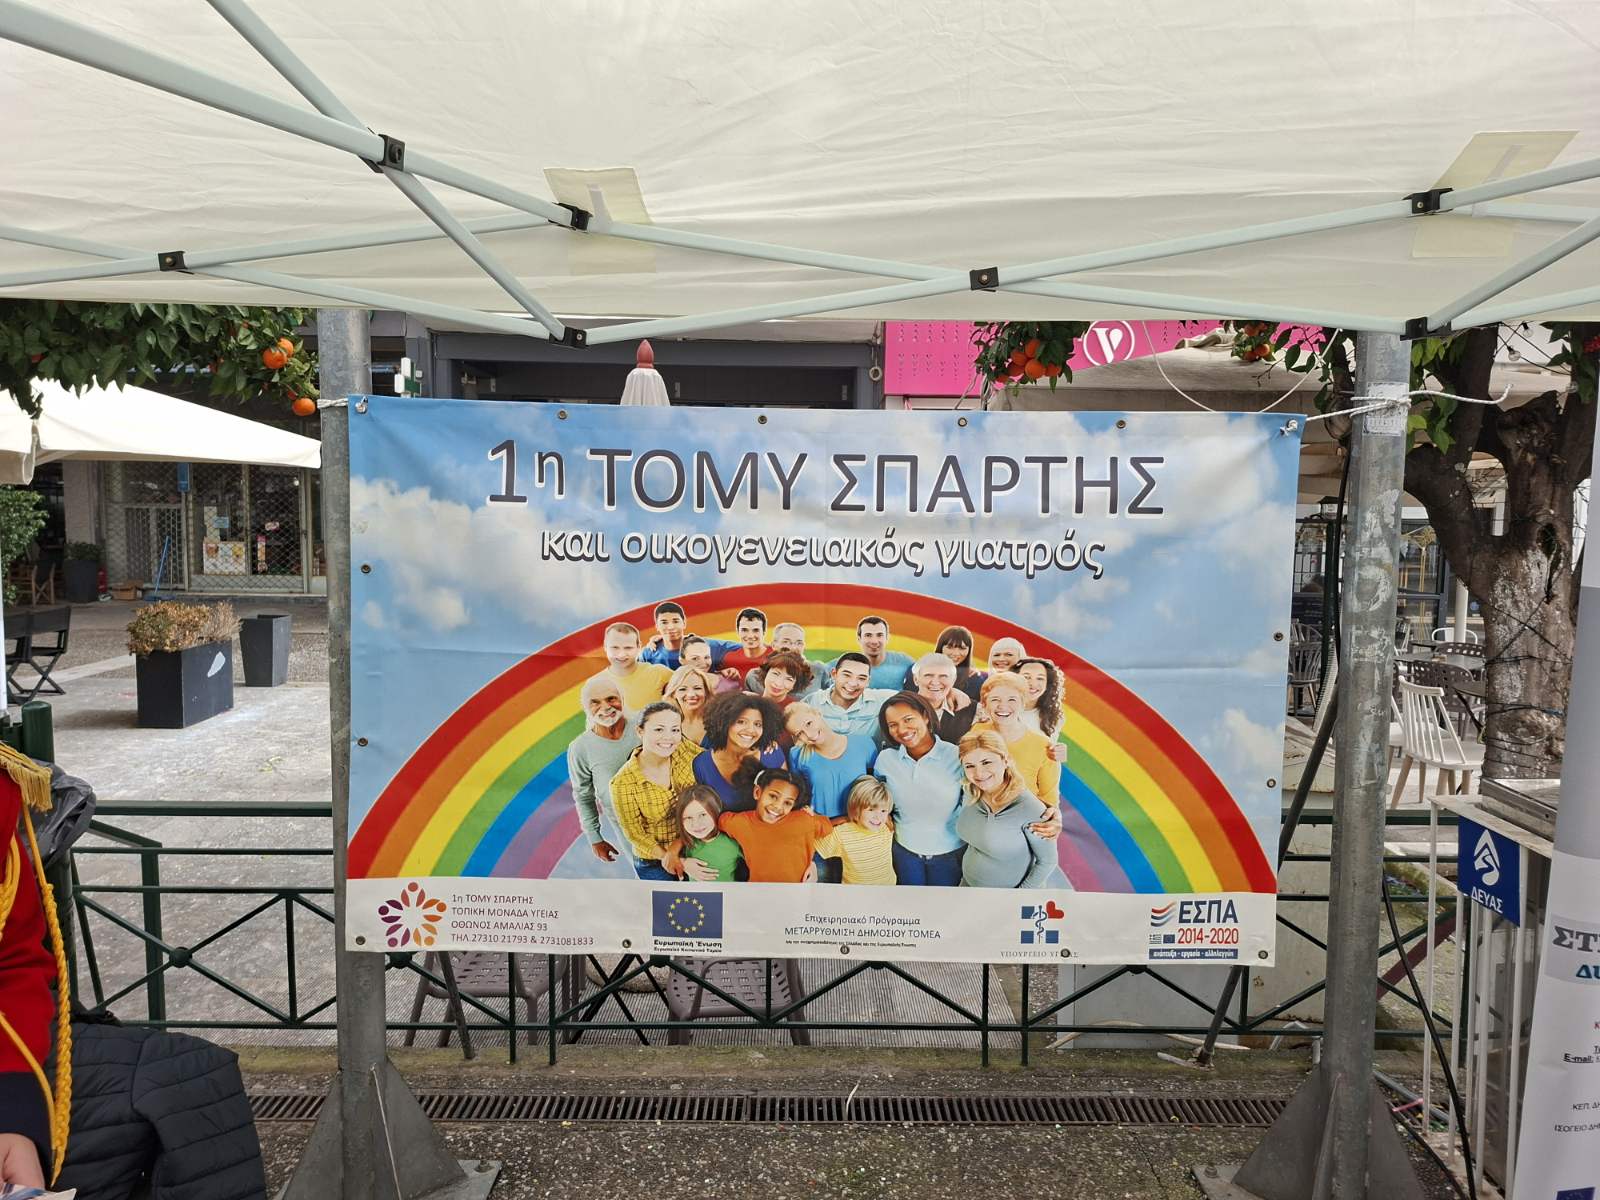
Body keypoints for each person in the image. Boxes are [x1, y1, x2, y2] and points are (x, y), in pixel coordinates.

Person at [609, 700, 701, 880]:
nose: (668, 737)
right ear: (640, 731)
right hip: (654, 862)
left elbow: (711, 760)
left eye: (675, 730)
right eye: (659, 729)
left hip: (694, 843)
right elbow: (635, 834)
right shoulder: (622, 783)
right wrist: (670, 857)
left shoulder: (682, 748)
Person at [955, 730, 1055, 889]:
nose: (979, 773)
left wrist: (1017, 897)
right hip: (967, 885)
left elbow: (1047, 862)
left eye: (986, 762)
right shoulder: (972, 793)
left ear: (1006, 760)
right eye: (970, 766)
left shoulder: (1031, 808)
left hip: (1008, 896)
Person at [711, 765, 830, 883]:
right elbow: (720, 820)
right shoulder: (739, 823)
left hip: (797, 891)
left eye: (787, 803)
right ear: (757, 792)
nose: (778, 806)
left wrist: (813, 814)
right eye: (773, 796)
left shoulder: (804, 820)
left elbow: (827, 827)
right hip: (758, 890)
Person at [565, 674, 639, 862]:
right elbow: (583, 795)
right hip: (631, 837)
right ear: (585, 708)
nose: (605, 707)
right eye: (595, 702)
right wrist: (594, 837)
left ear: (622, 699)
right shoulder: (580, 748)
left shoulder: (645, 725)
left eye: (611, 699)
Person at [969, 671, 1062, 804]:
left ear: (1023, 704)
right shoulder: (977, 730)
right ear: (984, 704)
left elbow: (1050, 800)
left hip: (1024, 813)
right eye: (995, 699)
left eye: (1012, 700)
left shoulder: (1044, 746)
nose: (1003, 706)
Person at [691, 691, 786, 812]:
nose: (751, 730)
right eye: (741, 722)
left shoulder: (771, 753)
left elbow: (786, 796)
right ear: (724, 723)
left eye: (758, 724)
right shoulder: (702, 764)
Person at [785, 702, 879, 820]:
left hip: (859, 824)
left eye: (809, 723)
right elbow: (798, 796)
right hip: (821, 826)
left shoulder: (864, 743)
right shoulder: (796, 754)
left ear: (818, 713)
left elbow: (877, 788)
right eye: (799, 733)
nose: (809, 734)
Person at [814, 776, 897, 886]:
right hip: (855, 892)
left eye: (883, 811)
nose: (878, 817)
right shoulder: (841, 833)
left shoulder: (886, 827)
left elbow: (889, 820)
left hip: (888, 888)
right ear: (856, 809)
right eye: (871, 810)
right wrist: (842, 819)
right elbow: (813, 840)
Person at [801, 651, 896, 737]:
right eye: (846, 675)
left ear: (868, 681)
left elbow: (905, 698)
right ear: (834, 674)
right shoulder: (812, 701)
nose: (853, 683)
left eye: (861, 678)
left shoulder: (879, 699)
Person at [671, 785, 745, 883]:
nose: (696, 824)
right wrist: (683, 863)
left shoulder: (733, 841)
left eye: (703, 815)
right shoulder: (687, 842)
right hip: (695, 892)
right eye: (689, 818)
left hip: (726, 892)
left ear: (716, 810)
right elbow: (670, 862)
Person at [640, 600, 737, 670]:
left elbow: (741, 647)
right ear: (657, 626)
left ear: (684, 623)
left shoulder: (704, 645)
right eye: (664, 622)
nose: (671, 627)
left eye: (675, 621)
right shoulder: (649, 653)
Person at [602, 622, 673, 713]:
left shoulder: (659, 672)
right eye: (615, 648)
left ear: (639, 647)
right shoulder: (595, 683)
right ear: (605, 647)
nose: (621, 654)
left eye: (628, 648)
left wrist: (668, 639)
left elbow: (688, 679)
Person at [909, 651, 976, 743]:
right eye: (928, 676)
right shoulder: (900, 706)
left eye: (943, 676)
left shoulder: (971, 709)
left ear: (953, 680)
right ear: (916, 679)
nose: (935, 682)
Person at [855, 615, 916, 688]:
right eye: (868, 635)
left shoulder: (904, 662)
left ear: (887, 638)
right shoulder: (848, 665)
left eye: (879, 635)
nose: (874, 641)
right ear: (859, 639)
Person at [665, 663, 716, 747]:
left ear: (706, 691)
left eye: (697, 688)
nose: (691, 694)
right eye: (683, 689)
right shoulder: (665, 726)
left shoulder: (720, 722)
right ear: (673, 693)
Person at [716, 607, 774, 680]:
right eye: (744, 630)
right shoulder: (728, 659)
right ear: (738, 631)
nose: (750, 636)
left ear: (764, 631)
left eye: (756, 630)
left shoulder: (776, 657)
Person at [1016, 657, 1065, 742]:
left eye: (1040, 678)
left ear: (1047, 684)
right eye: (1026, 677)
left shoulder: (1054, 717)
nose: (1033, 684)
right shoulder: (998, 710)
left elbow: (1049, 746)